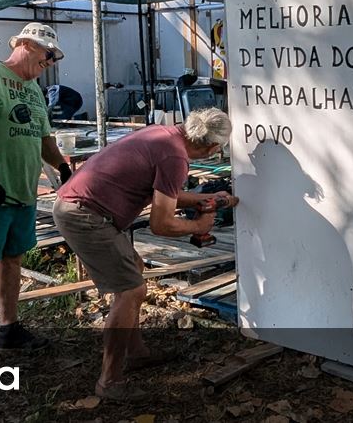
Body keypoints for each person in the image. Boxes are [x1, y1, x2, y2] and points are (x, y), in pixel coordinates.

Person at [52, 108, 237, 401]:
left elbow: (160, 192)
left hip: (80, 206)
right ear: (213, 148)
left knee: (134, 270)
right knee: (131, 290)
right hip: (84, 214)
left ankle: (135, 353)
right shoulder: (176, 158)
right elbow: (161, 223)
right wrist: (198, 225)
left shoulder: (164, 135)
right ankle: (109, 382)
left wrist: (203, 198)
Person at [0, 22, 72, 369]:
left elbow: (43, 139)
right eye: (47, 53)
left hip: (22, 191)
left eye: (54, 57)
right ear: (24, 45)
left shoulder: (34, 89)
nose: (50, 61)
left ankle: (9, 329)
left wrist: (63, 167)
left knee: (13, 259)